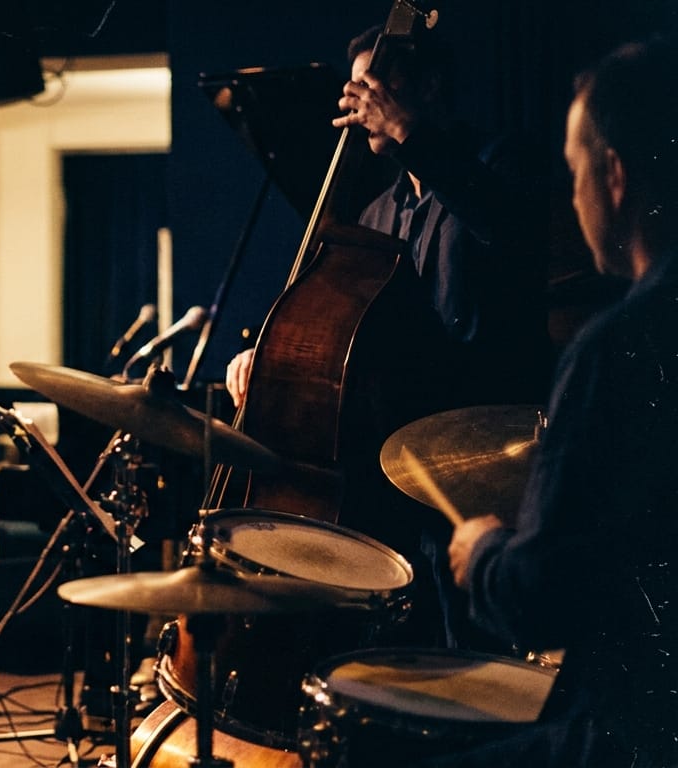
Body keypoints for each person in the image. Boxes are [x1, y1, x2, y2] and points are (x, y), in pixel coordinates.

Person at [221, 23, 553, 650]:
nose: (359, 102)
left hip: (485, 461)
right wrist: (268, 360)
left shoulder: (502, 163)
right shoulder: (376, 215)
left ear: (427, 87)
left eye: (375, 86)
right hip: (397, 473)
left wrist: (411, 134)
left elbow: (508, 228)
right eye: (355, 87)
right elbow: (342, 339)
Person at [441, 38, 678, 768]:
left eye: (574, 172)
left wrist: (481, 554)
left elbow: (542, 600)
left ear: (612, 177)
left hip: (627, 734)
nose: (570, 196)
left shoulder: (616, 349)